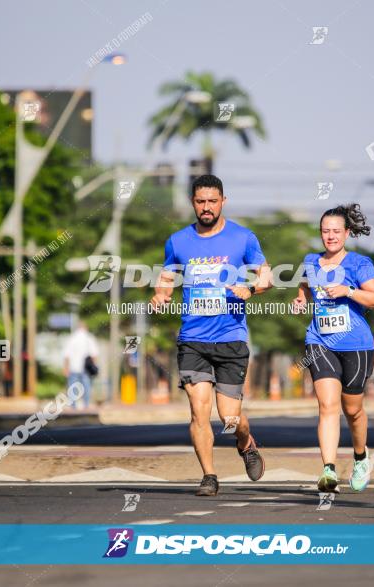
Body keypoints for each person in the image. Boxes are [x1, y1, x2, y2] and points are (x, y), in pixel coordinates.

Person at [150, 174, 272, 496]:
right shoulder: (177, 241)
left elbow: (266, 275)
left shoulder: (243, 238)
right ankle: (209, 476)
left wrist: (251, 288)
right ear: (193, 202)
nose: (206, 207)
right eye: (201, 201)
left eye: (212, 201)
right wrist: (161, 294)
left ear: (223, 202)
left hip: (230, 336)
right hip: (193, 338)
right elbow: (165, 276)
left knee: (229, 417)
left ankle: (245, 442)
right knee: (198, 409)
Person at [291, 203, 374, 492]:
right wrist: (300, 300)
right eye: (325, 231)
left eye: (335, 231)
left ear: (346, 233)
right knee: (327, 406)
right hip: (320, 341)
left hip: (356, 344)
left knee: (353, 409)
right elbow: (305, 288)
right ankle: (329, 470)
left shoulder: (359, 264)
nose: (330, 236)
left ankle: (360, 457)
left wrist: (349, 291)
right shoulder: (310, 261)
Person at [63, 321, 98, 410]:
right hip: (86, 368)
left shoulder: (72, 338)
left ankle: (73, 407)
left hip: (73, 367)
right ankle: (86, 405)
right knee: (86, 387)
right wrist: (94, 366)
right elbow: (94, 354)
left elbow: (67, 355)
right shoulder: (89, 338)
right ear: (86, 327)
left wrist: (66, 367)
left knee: (72, 388)